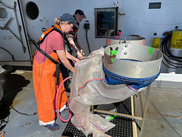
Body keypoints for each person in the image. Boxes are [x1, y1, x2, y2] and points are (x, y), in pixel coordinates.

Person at [33, 13, 79, 131]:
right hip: (42, 66)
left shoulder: (58, 32)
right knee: (46, 93)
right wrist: (74, 71)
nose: (72, 29)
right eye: (71, 26)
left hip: (52, 64)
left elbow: (63, 52)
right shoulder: (56, 35)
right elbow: (63, 59)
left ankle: (61, 106)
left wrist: (73, 58)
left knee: (58, 86)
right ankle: (47, 120)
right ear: (65, 24)